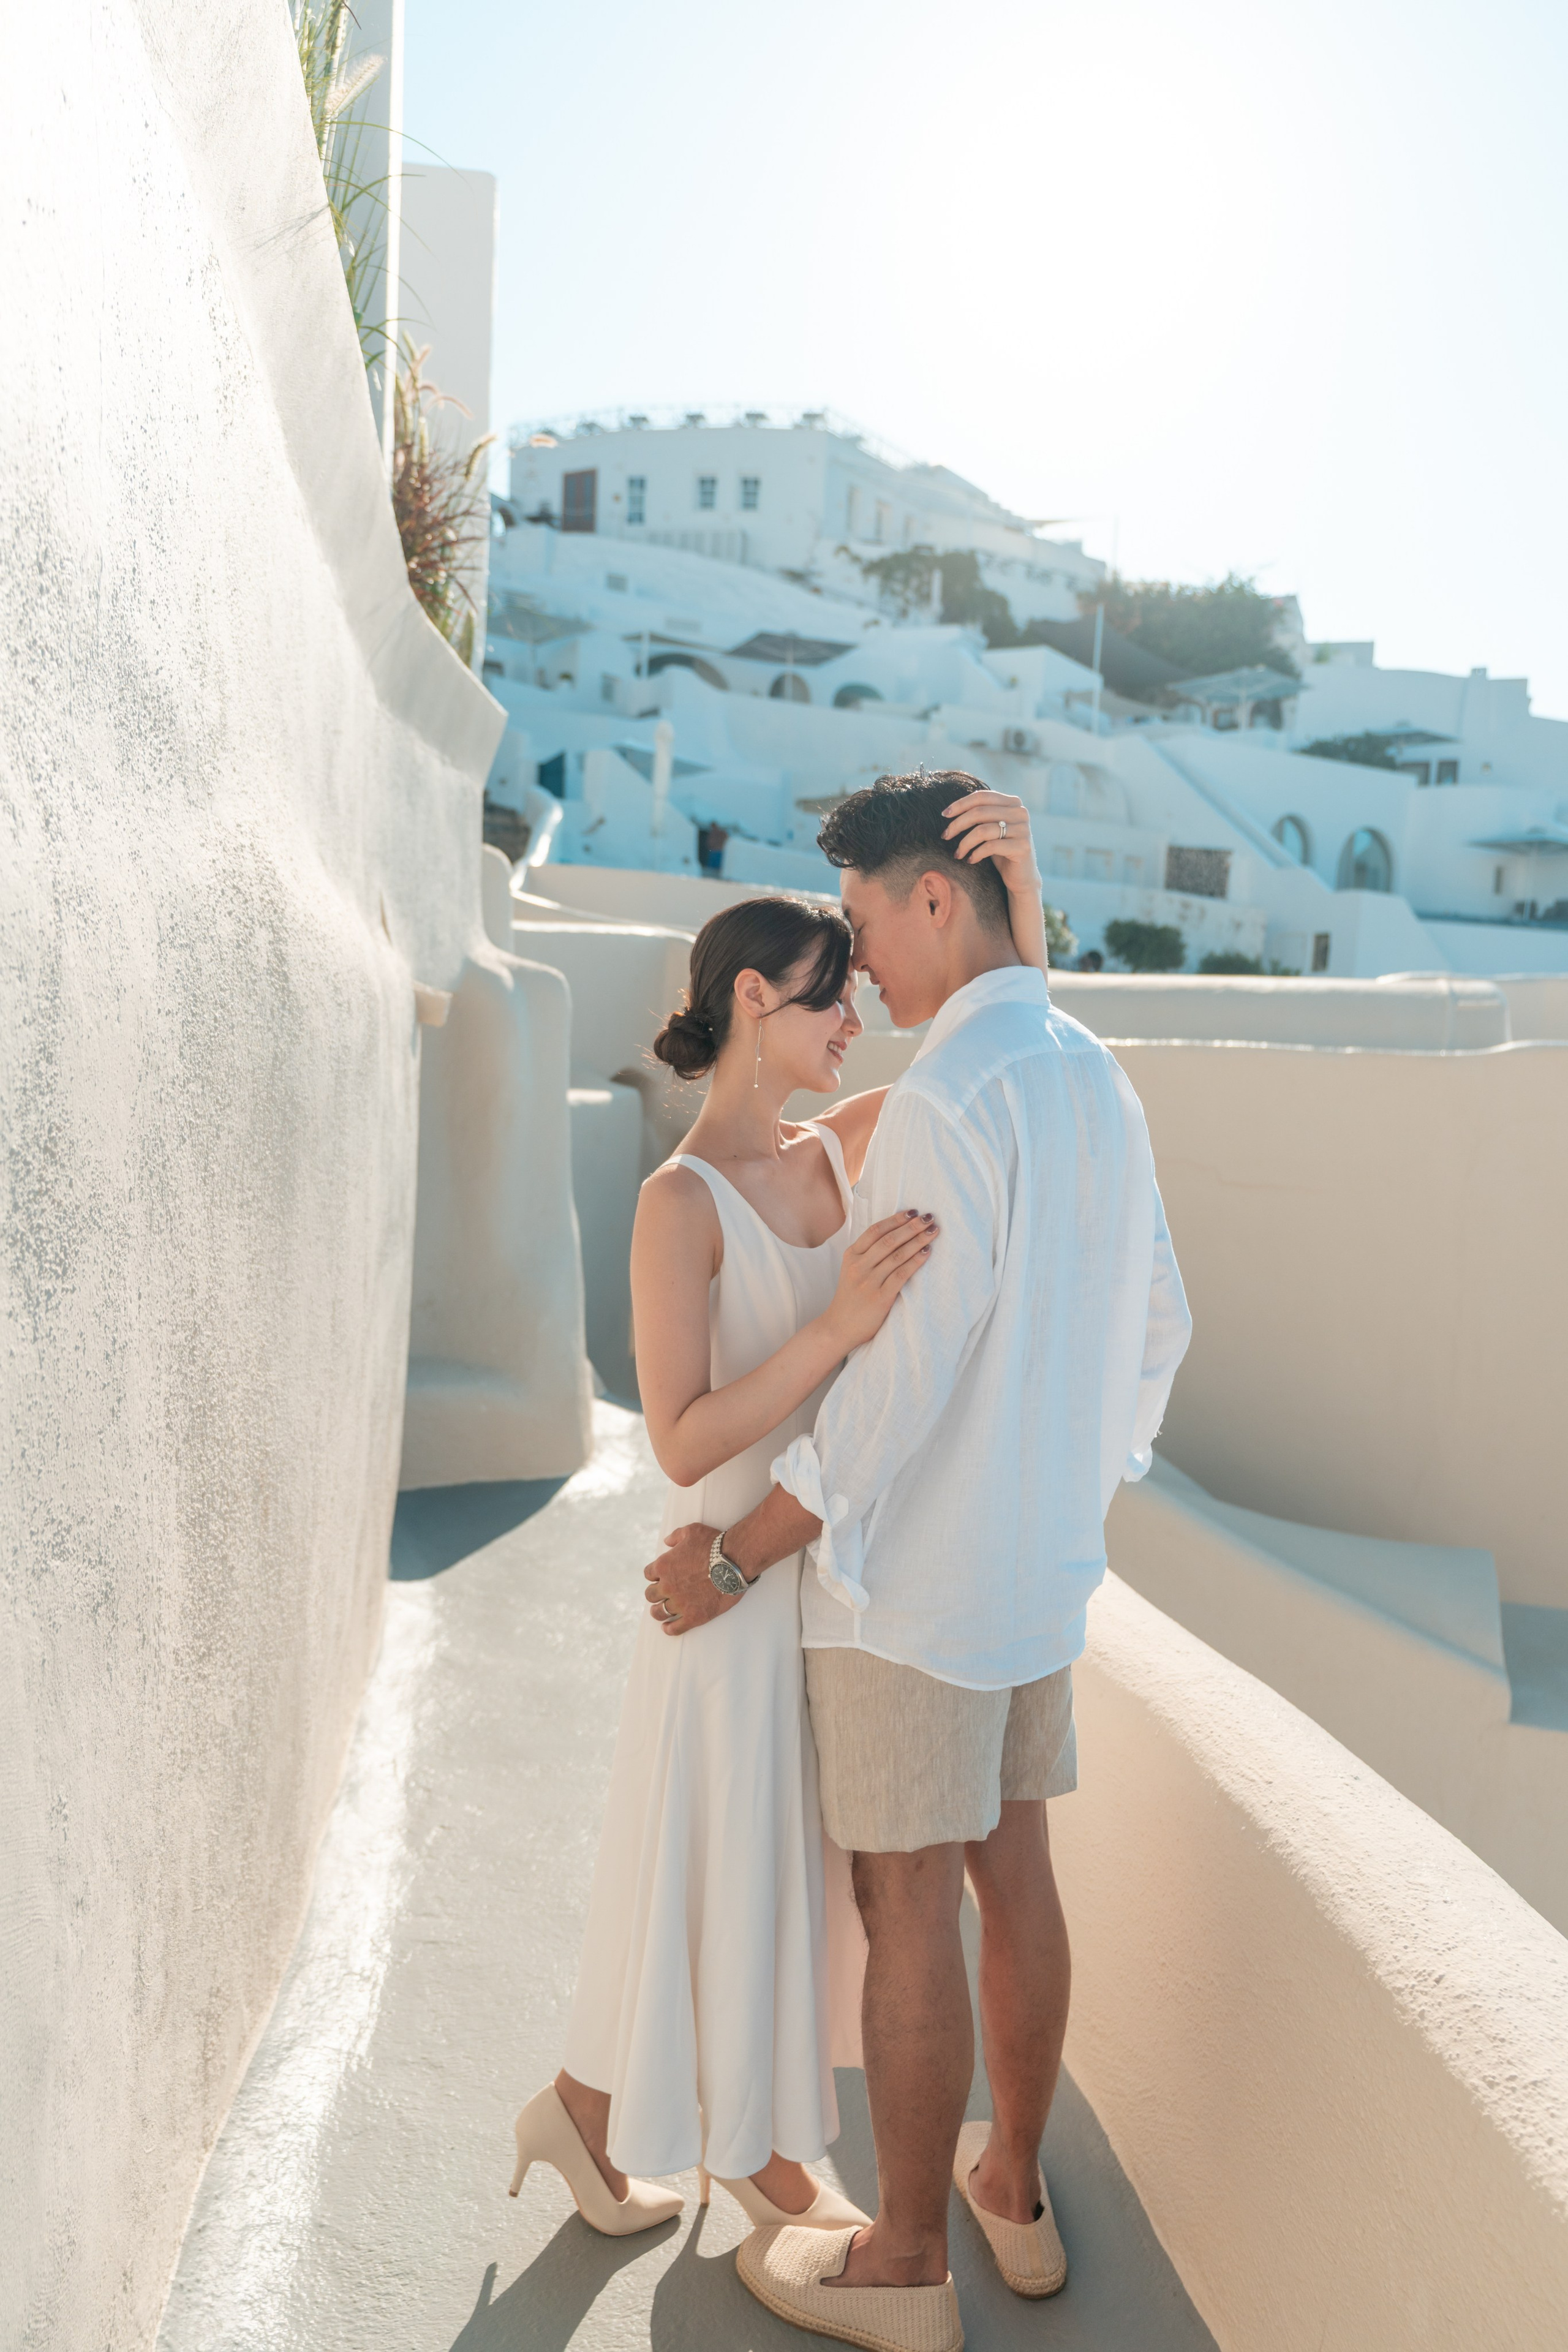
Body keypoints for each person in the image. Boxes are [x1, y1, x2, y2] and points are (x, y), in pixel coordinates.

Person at [646, 771, 1192, 2352]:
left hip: (914, 1595)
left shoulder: (954, 1098)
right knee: (1015, 1877)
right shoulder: (1093, 1071)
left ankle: (899, 2262)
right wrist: (1070, 1487)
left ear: (936, 899)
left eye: (872, 917)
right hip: (1036, 1578)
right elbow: (1160, 1327)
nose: (864, 962)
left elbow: (895, 1388)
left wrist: (737, 1557)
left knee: (909, 1915)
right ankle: (1007, 2189)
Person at [509, 786, 1052, 2246]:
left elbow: (995, 1046)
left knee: (757, 1879)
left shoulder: (836, 1149)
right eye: (826, 1006)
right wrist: (835, 1332)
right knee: (715, 1868)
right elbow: (680, 1434)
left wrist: (1022, 899)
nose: (851, 1028)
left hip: (810, 1563)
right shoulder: (676, 1203)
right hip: (725, 1570)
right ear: (752, 998)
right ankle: (737, 2153)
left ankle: (587, 2111)